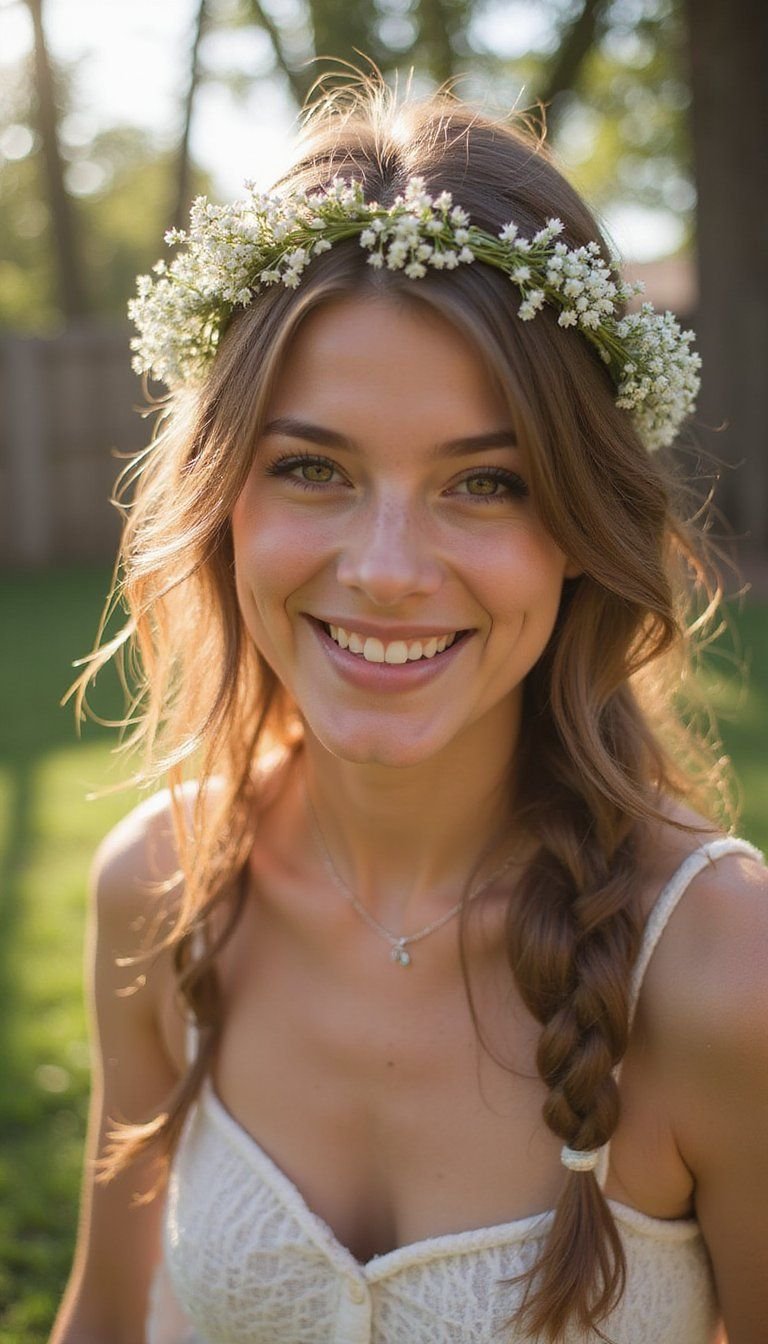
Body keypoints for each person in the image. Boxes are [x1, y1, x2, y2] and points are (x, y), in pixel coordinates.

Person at [50, 81, 768, 1344]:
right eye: (313, 468)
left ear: (579, 535)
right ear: (223, 501)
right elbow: (105, 1319)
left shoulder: (725, 979)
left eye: (484, 482)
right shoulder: (156, 892)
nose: (386, 568)